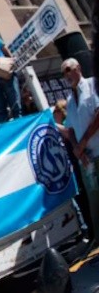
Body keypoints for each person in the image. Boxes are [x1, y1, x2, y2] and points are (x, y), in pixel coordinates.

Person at [62, 58, 99, 238]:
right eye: (64, 72)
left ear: (79, 68)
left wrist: (83, 142)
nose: (67, 74)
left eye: (69, 69)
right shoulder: (69, 100)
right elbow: (69, 128)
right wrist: (77, 149)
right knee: (94, 201)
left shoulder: (93, 85)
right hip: (86, 159)